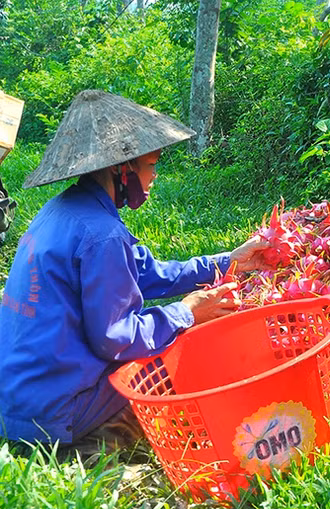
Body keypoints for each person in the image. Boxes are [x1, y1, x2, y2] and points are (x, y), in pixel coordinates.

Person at [0, 90, 271, 458]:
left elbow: (147, 272)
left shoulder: (63, 210)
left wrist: (228, 262)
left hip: (22, 399)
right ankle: (92, 445)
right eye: (151, 164)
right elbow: (116, 338)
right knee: (176, 356)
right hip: (53, 415)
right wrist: (187, 312)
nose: (155, 175)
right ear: (122, 168)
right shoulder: (102, 235)